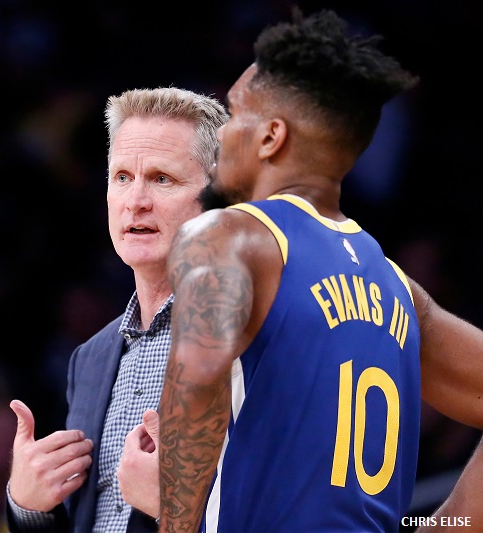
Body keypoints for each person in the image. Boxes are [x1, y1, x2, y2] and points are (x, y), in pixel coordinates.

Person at [156, 8, 483, 532]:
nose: (218, 131)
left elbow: (197, 385)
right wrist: (448, 526)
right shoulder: (398, 289)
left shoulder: (229, 235)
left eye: (233, 112)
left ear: (271, 137)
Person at [6, 87, 228, 532]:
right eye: (122, 177)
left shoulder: (250, 343)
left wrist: (175, 510)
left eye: (162, 179)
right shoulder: (89, 358)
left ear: (218, 196)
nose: (136, 200)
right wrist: (29, 506)